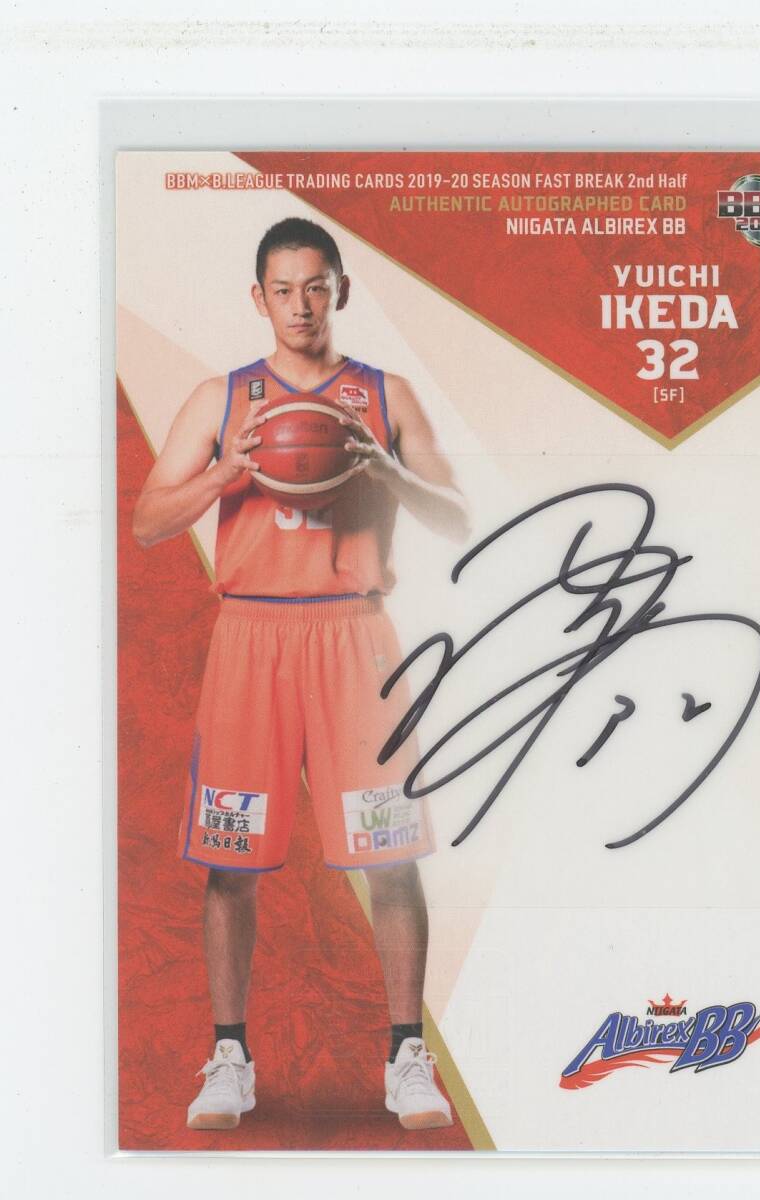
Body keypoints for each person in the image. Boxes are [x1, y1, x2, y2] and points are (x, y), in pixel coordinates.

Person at [133, 216, 470, 1133]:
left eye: (316, 287)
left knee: (391, 855)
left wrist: (388, 471)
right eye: (283, 290)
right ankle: (230, 1057)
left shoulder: (385, 395)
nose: (300, 305)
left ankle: (406, 1057)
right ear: (259, 298)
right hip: (252, 638)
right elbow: (149, 521)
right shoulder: (223, 398)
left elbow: (459, 515)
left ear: (340, 291)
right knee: (228, 861)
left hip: (356, 639)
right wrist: (223, 475)